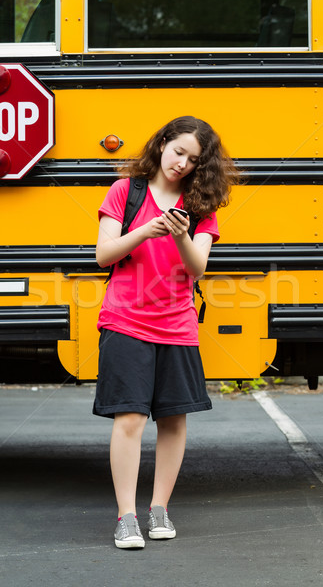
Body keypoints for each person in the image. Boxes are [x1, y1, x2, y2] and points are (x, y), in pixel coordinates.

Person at [93, 116, 239, 549]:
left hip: (177, 323)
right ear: (161, 145)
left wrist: (178, 236)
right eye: (178, 152)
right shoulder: (126, 191)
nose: (182, 164)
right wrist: (146, 229)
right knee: (131, 417)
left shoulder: (200, 207)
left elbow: (197, 269)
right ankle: (126, 517)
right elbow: (103, 255)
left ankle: (159, 509)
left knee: (174, 419)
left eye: (193, 160)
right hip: (125, 319)